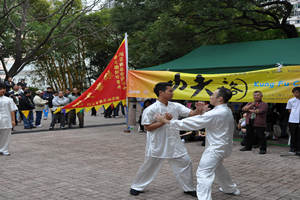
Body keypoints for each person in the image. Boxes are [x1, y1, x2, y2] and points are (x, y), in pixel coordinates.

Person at [156, 87, 240, 200]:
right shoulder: (225, 110)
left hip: (216, 149)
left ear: (220, 99)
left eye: (213, 95)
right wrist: (203, 111)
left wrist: (166, 121)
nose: (210, 96)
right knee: (218, 168)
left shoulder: (217, 113)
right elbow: (209, 118)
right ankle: (230, 188)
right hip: (223, 147)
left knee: (203, 173)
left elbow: (192, 123)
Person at [130, 82, 203, 198]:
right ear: (161, 92)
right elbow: (147, 127)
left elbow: (190, 113)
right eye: (170, 91)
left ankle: (188, 188)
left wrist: (198, 111)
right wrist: (163, 121)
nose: (172, 93)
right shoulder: (150, 109)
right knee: (149, 166)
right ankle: (137, 186)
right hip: (157, 143)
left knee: (185, 162)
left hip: (174, 142)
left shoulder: (175, 106)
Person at [0, 83, 18, 156]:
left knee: (6, 136)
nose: (2, 90)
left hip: (6, 120)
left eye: (3, 89)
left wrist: (13, 120)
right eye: (1, 89)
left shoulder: (9, 100)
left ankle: (4, 150)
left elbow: (12, 110)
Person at [286, 87, 300, 155]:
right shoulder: (291, 100)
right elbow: (289, 110)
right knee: (293, 135)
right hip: (292, 120)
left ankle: (298, 149)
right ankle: (292, 148)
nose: (295, 94)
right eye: (294, 93)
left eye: (297, 92)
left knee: (298, 135)